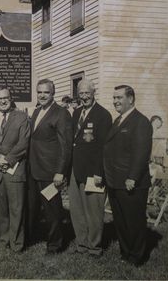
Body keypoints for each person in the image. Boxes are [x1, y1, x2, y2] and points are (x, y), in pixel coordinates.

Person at [103, 85, 152, 266]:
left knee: (134, 222)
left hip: (131, 182)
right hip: (115, 181)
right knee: (121, 221)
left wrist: (132, 177)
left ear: (130, 99)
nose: (115, 101)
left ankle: (137, 258)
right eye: (114, 98)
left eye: (119, 98)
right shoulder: (118, 121)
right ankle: (126, 253)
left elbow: (141, 153)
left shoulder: (140, 121)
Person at [27, 78, 72, 254]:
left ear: (53, 93)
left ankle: (54, 245)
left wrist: (60, 172)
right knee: (31, 208)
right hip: (33, 169)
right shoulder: (37, 111)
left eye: (46, 92)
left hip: (50, 172)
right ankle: (32, 238)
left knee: (52, 211)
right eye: (40, 92)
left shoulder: (61, 113)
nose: (42, 95)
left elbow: (65, 146)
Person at [68, 79, 112, 257]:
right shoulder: (77, 112)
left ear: (94, 93)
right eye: (81, 93)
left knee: (93, 211)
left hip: (93, 171)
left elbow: (104, 147)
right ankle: (81, 244)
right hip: (75, 168)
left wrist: (99, 172)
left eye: (87, 93)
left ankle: (94, 247)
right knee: (77, 209)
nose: (84, 96)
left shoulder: (103, 115)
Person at [0, 87, 30, 252]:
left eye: (6, 97)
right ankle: (3, 241)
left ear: (11, 98)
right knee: (0, 210)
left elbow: (24, 143)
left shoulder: (21, 117)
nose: (3, 101)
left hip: (15, 170)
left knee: (16, 209)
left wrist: (7, 160)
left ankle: (16, 244)